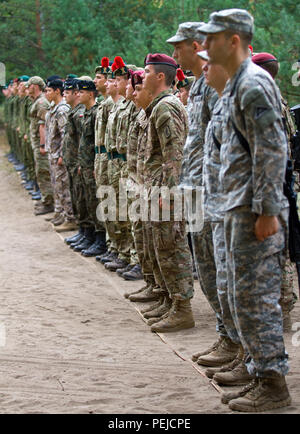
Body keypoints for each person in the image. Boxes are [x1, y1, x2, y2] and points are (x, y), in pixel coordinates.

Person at [200, 8, 291, 412]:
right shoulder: (234, 87)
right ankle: (257, 371)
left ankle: (273, 385)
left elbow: (272, 151)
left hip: (254, 212)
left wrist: (268, 211)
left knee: (257, 300)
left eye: (212, 38)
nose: (204, 46)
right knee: (240, 296)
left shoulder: (253, 85)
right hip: (235, 208)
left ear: (233, 40)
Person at [167, 23, 236, 362]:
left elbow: (222, 143)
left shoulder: (214, 84)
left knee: (217, 271)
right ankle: (227, 337)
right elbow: (194, 144)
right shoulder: (196, 86)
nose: (175, 53)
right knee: (208, 270)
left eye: (179, 46)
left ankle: (233, 341)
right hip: (195, 190)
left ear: (196, 45)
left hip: (212, 194)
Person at [141, 53, 195, 333]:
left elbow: (175, 152)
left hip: (166, 187)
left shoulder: (166, 107)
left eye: (147, 71)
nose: (142, 76)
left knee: (172, 246)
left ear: (160, 76)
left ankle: (183, 308)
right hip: (158, 185)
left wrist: (170, 191)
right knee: (164, 246)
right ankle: (172, 302)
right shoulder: (161, 105)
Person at [252, 52, 298, 331]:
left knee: (278, 253)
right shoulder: (275, 100)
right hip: (277, 184)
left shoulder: (269, 103)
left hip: (276, 185)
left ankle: (283, 310)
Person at [74, 77, 106, 255]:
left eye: (82, 92)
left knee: (97, 201)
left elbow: (97, 141)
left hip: (94, 164)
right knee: (87, 199)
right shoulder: (86, 113)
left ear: (91, 94)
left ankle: (100, 240)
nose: (79, 95)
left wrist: (95, 165)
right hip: (85, 164)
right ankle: (90, 235)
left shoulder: (95, 112)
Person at [44, 79, 76, 232]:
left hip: (59, 156)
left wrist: (63, 154)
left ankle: (70, 217)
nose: (46, 93)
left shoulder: (62, 109)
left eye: (48, 90)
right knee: (57, 186)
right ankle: (61, 213)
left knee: (63, 186)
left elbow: (65, 134)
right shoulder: (54, 108)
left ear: (57, 91)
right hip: (53, 155)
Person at [27, 76, 54, 215]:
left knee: (43, 172)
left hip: (41, 145)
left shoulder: (42, 103)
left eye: (29, 85)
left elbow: (44, 125)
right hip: (37, 144)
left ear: (35, 86)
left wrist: (43, 145)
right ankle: (46, 199)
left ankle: (49, 202)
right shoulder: (37, 101)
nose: (27, 88)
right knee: (40, 171)